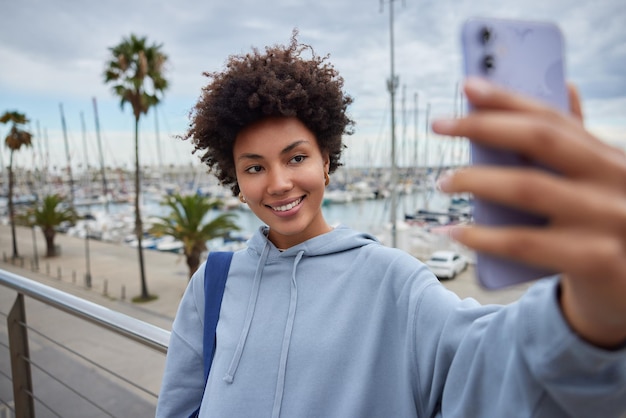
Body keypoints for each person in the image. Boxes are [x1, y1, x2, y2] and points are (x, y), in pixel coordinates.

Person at [156, 31, 626, 417]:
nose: (278, 183)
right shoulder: (212, 283)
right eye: (254, 167)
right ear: (236, 179)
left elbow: (492, 367)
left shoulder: (395, 281)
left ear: (326, 162)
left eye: (296, 157)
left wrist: (588, 318)